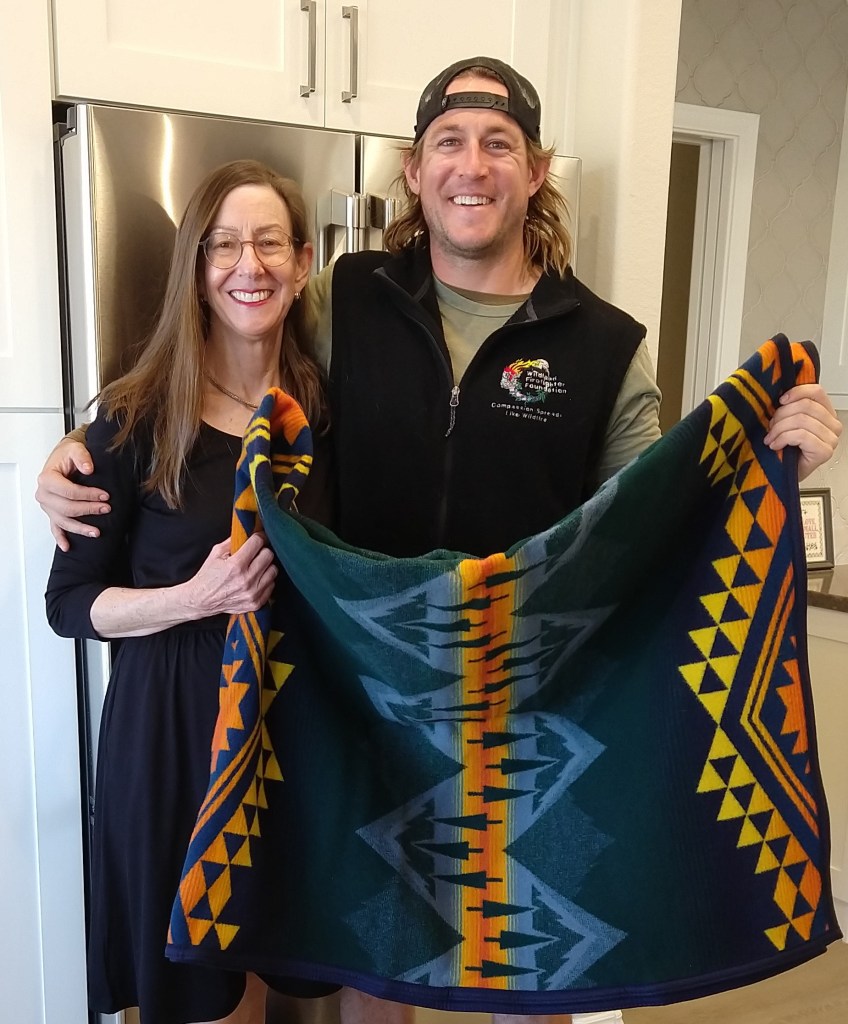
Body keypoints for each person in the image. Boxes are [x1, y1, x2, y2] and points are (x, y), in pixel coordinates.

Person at [39, 58, 842, 1024]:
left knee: (532, 976)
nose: (473, 166)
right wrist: (79, 445)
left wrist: (771, 461)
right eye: (448, 143)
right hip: (358, 702)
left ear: (536, 170)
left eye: (499, 143)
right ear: (413, 174)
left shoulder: (605, 345)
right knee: (378, 973)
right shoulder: (347, 299)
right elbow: (227, 369)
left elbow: (654, 514)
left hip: (531, 718)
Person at [45, 159, 335, 1024]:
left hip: (294, 733)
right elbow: (69, 604)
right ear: (197, 269)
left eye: (271, 243)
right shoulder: (133, 418)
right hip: (173, 735)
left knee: (277, 974)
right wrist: (192, 596)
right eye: (225, 246)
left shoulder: (326, 407)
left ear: (306, 260)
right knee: (199, 1001)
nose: (251, 266)